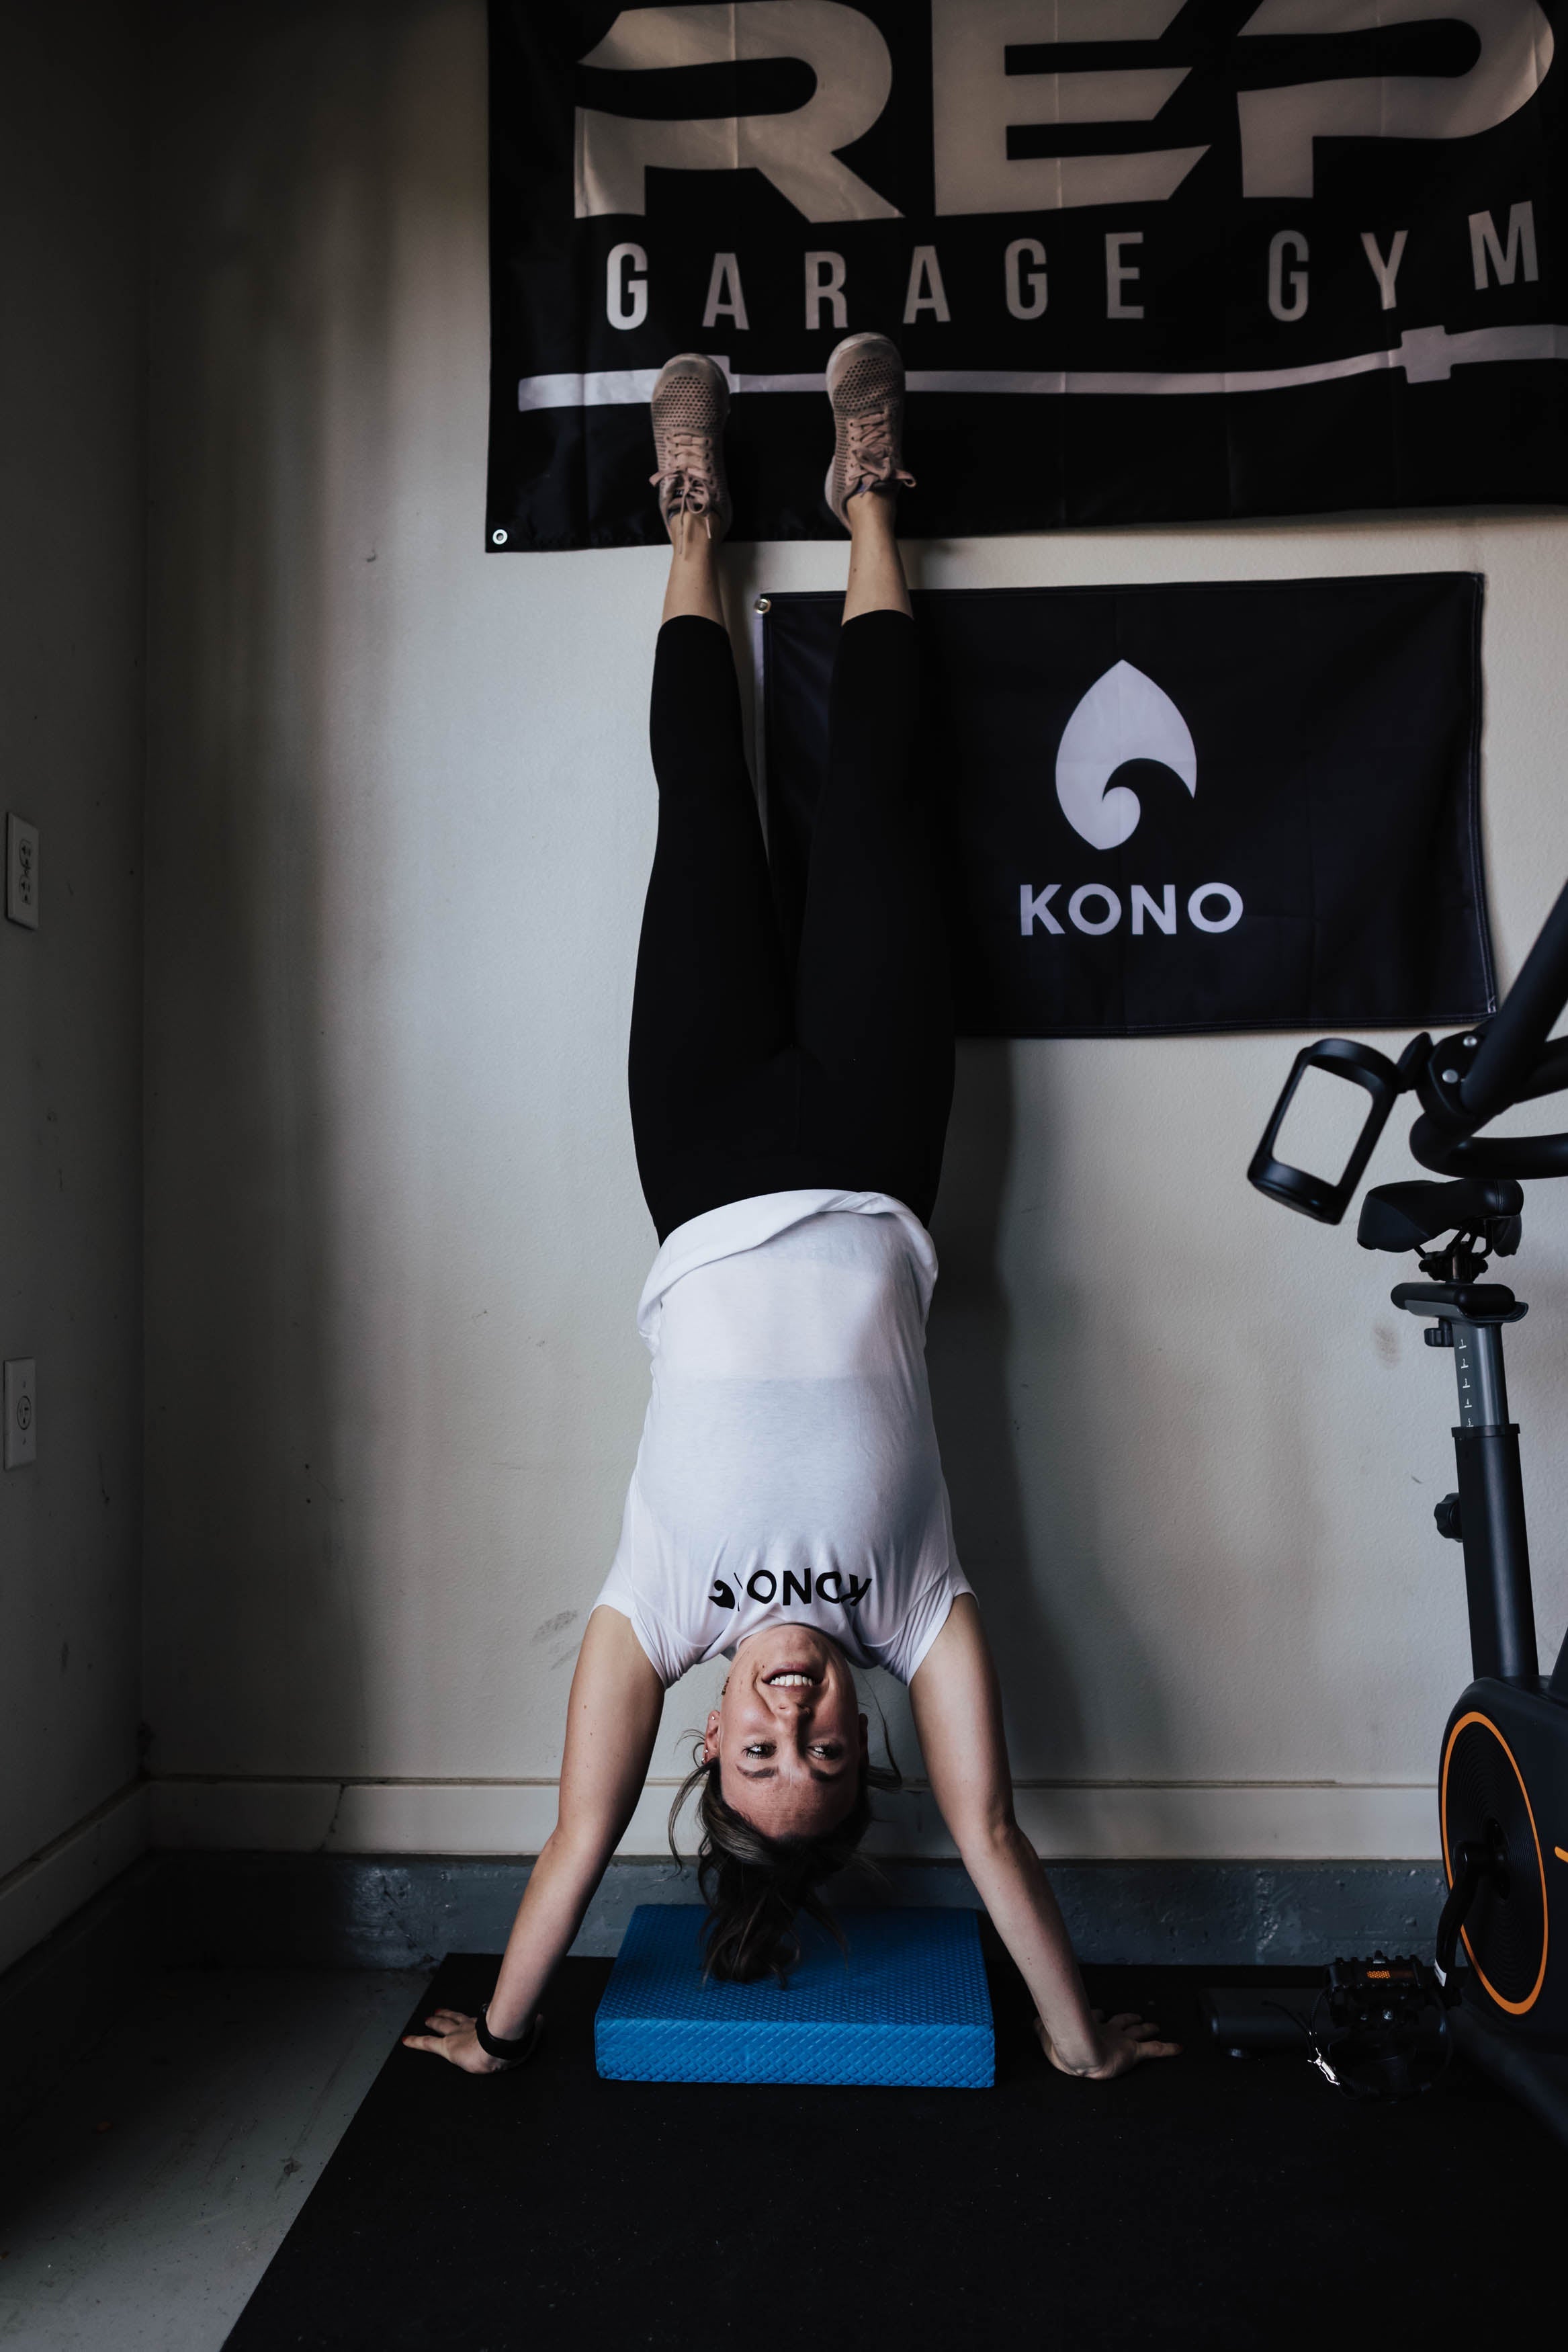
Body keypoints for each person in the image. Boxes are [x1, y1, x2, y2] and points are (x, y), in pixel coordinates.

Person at [405, 336, 1178, 2084]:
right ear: (866, 1744)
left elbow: (577, 1835)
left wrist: (503, 2028)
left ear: (708, 1742)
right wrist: (1075, 2045)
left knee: (706, 810)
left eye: (760, 1754)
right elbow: (995, 1834)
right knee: (882, 810)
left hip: (698, 1158)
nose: (795, 1717)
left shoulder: (657, 1605)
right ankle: (870, 493)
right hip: (876, 1143)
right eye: (827, 1753)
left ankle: (695, 518)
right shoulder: (916, 1607)